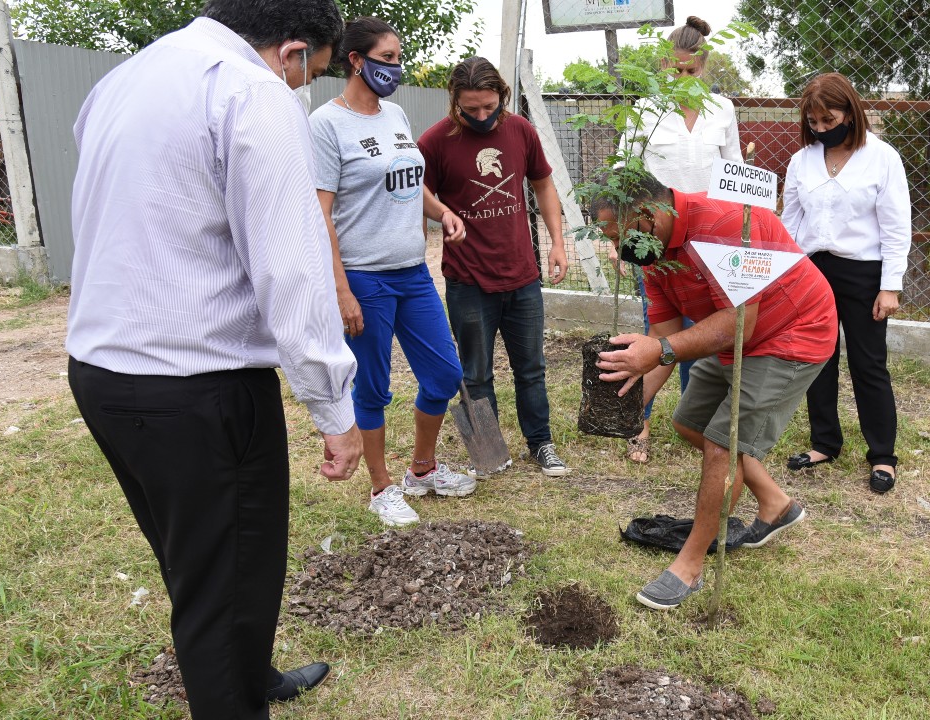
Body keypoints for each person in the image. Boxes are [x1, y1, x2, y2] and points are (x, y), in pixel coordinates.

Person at [66, 1, 361, 717]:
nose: (302, 89)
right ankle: (235, 691)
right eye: (310, 75)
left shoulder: (132, 74)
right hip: (196, 383)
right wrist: (333, 406)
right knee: (223, 576)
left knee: (205, 560)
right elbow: (291, 269)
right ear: (290, 51)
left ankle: (251, 670)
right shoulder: (251, 90)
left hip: (104, 370)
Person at [592, 171, 838, 611]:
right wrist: (630, 402)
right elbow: (664, 340)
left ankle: (689, 568)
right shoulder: (654, 256)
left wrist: (662, 349)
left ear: (647, 214)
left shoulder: (724, 224)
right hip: (733, 338)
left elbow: (733, 326)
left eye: (617, 233)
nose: (616, 247)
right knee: (690, 424)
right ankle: (776, 504)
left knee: (721, 445)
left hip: (791, 333)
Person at [310, 17, 476, 528]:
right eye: (386, 59)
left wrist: (440, 209)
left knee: (445, 374)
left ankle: (421, 471)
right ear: (355, 60)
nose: (395, 68)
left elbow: (410, 179)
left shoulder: (397, 114)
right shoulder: (326, 125)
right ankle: (382, 488)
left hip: (412, 270)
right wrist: (341, 289)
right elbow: (320, 214)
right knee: (374, 387)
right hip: (364, 275)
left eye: (398, 58)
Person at [418, 57, 572, 477]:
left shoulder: (520, 130)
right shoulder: (435, 141)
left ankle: (541, 444)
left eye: (489, 107)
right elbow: (419, 191)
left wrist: (557, 242)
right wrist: (442, 212)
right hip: (468, 279)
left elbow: (543, 183)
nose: (482, 116)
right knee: (476, 372)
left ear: (501, 97)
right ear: (456, 101)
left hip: (522, 275)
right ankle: (489, 451)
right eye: (472, 109)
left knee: (531, 368)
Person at [614, 15, 743, 464]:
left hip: (710, 237)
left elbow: (735, 175)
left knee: (703, 331)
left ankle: (695, 420)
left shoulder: (722, 111)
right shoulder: (646, 112)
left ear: (704, 68)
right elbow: (624, 174)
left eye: (691, 71)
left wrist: (742, 229)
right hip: (655, 236)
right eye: (675, 70)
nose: (682, 78)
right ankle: (639, 423)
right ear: (663, 66)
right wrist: (622, 233)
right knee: (658, 327)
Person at [780, 73, 911, 495]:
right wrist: (784, 270)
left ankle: (883, 456)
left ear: (850, 113)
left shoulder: (882, 157)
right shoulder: (801, 160)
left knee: (868, 363)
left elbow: (896, 226)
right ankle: (824, 443)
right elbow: (791, 221)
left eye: (828, 118)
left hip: (863, 272)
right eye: (813, 121)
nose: (820, 128)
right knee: (818, 357)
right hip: (812, 270)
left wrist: (890, 285)